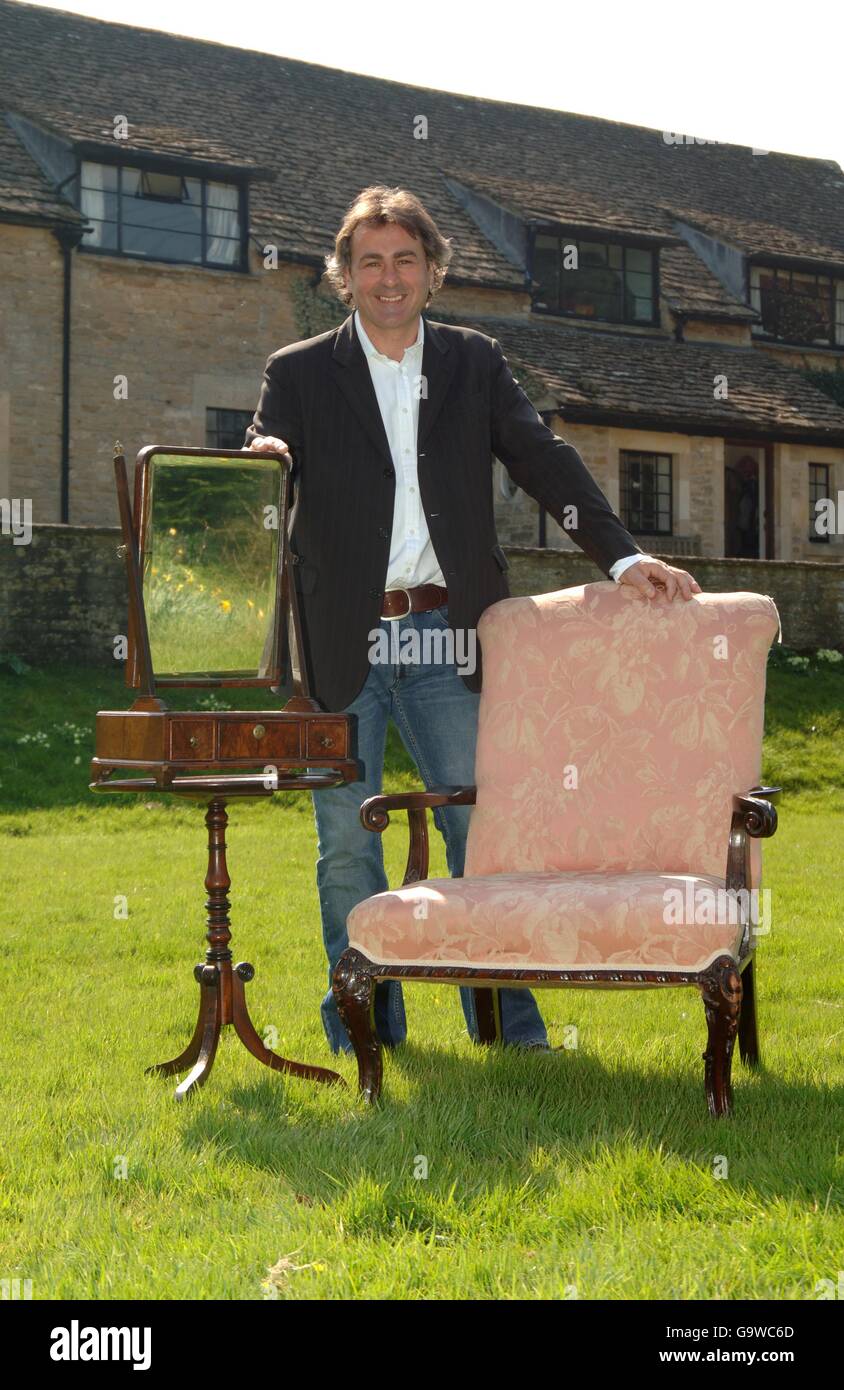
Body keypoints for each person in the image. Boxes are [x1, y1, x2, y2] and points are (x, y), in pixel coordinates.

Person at [246, 185, 701, 1055]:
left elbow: (545, 461)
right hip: (339, 640)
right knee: (347, 841)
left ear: (432, 272)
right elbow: (270, 455)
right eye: (370, 261)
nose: (389, 277)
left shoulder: (473, 361)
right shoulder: (297, 371)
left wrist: (623, 556)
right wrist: (268, 460)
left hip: (448, 634)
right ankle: (365, 1030)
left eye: (405, 260)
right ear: (344, 276)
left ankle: (504, 1027)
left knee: (480, 832)